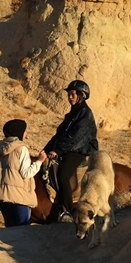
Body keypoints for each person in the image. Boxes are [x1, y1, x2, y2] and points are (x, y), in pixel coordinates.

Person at [42, 80, 98, 224]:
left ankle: (67, 212)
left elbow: (77, 137)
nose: (70, 97)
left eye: (73, 94)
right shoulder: (72, 115)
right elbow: (59, 135)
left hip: (80, 150)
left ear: (82, 95)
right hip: (69, 149)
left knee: (63, 175)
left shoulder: (86, 114)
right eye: (69, 94)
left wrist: (59, 150)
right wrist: (46, 149)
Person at [0, 119, 47, 227]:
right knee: (22, 231)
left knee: (10, 231)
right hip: (19, 198)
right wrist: (39, 161)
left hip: (3, 197)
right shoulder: (21, 149)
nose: (26, 134)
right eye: (25, 131)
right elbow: (26, 173)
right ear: (19, 131)